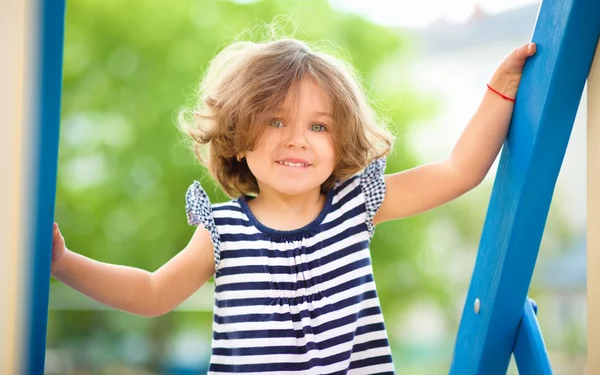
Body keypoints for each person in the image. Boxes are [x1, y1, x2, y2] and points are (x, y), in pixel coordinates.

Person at [51, 37, 536, 374]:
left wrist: (499, 92)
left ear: (341, 139)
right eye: (276, 122)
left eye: (319, 126)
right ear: (239, 135)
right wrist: (65, 264)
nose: (298, 141)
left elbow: (459, 171)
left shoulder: (355, 205)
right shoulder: (223, 230)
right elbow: (153, 292)